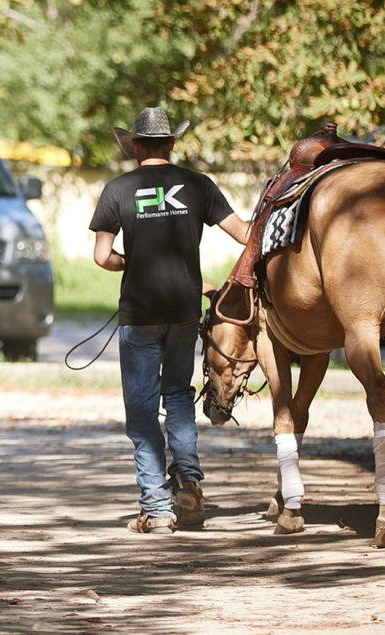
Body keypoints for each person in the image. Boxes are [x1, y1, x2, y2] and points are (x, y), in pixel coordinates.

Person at [89, 107, 249, 534]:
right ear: (172, 144)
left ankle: (157, 509)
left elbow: (102, 256)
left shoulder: (117, 189)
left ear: (135, 146)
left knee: (141, 411)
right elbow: (246, 234)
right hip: (183, 311)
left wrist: (132, 262)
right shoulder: (198, 186)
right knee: (177, 396)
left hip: (139, 313)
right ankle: (190, 484)